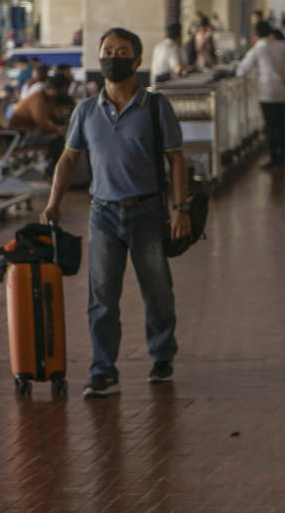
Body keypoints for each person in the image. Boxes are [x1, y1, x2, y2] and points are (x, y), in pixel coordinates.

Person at [41, 27, 190, 397]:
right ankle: (103, 369)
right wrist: (53, 202)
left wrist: (179, 208)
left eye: (122, 51)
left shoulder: (155, 107)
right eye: (107, 50)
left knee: (156, 291)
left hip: (147, 211)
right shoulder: (86, 111)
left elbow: (176, 161)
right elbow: (68, 159)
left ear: (137, 61)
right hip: (103, 215)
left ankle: (161, 355)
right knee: (102, 296)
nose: (113, 57)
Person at [236, 21, 285, 168]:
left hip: (267, 92)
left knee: (270, 126)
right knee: (281, 124)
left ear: (256, 34)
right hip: (282, 90)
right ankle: (283, 156)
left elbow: (242, 70)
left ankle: (274, 157)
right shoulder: (281, 45)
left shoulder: (258, 48)